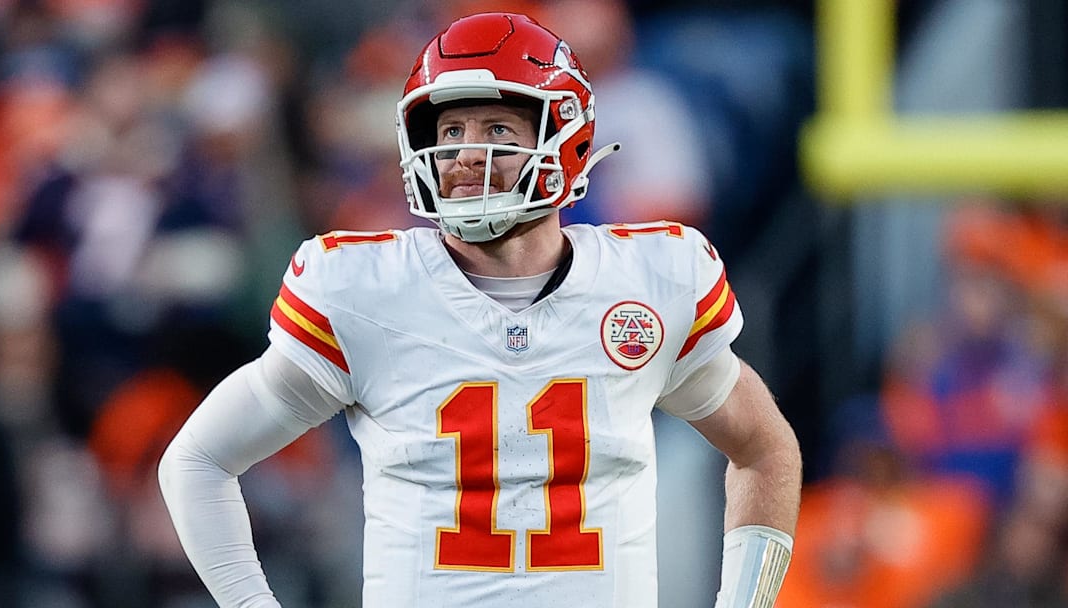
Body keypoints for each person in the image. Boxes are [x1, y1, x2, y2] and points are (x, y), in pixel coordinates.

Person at [159, 12, 802, 608]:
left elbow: (765, 449)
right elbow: (197, 462)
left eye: (496, 128)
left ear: (566, 139)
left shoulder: (648, 282)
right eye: (450, 129)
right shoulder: (363, 289)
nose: (466, 152)